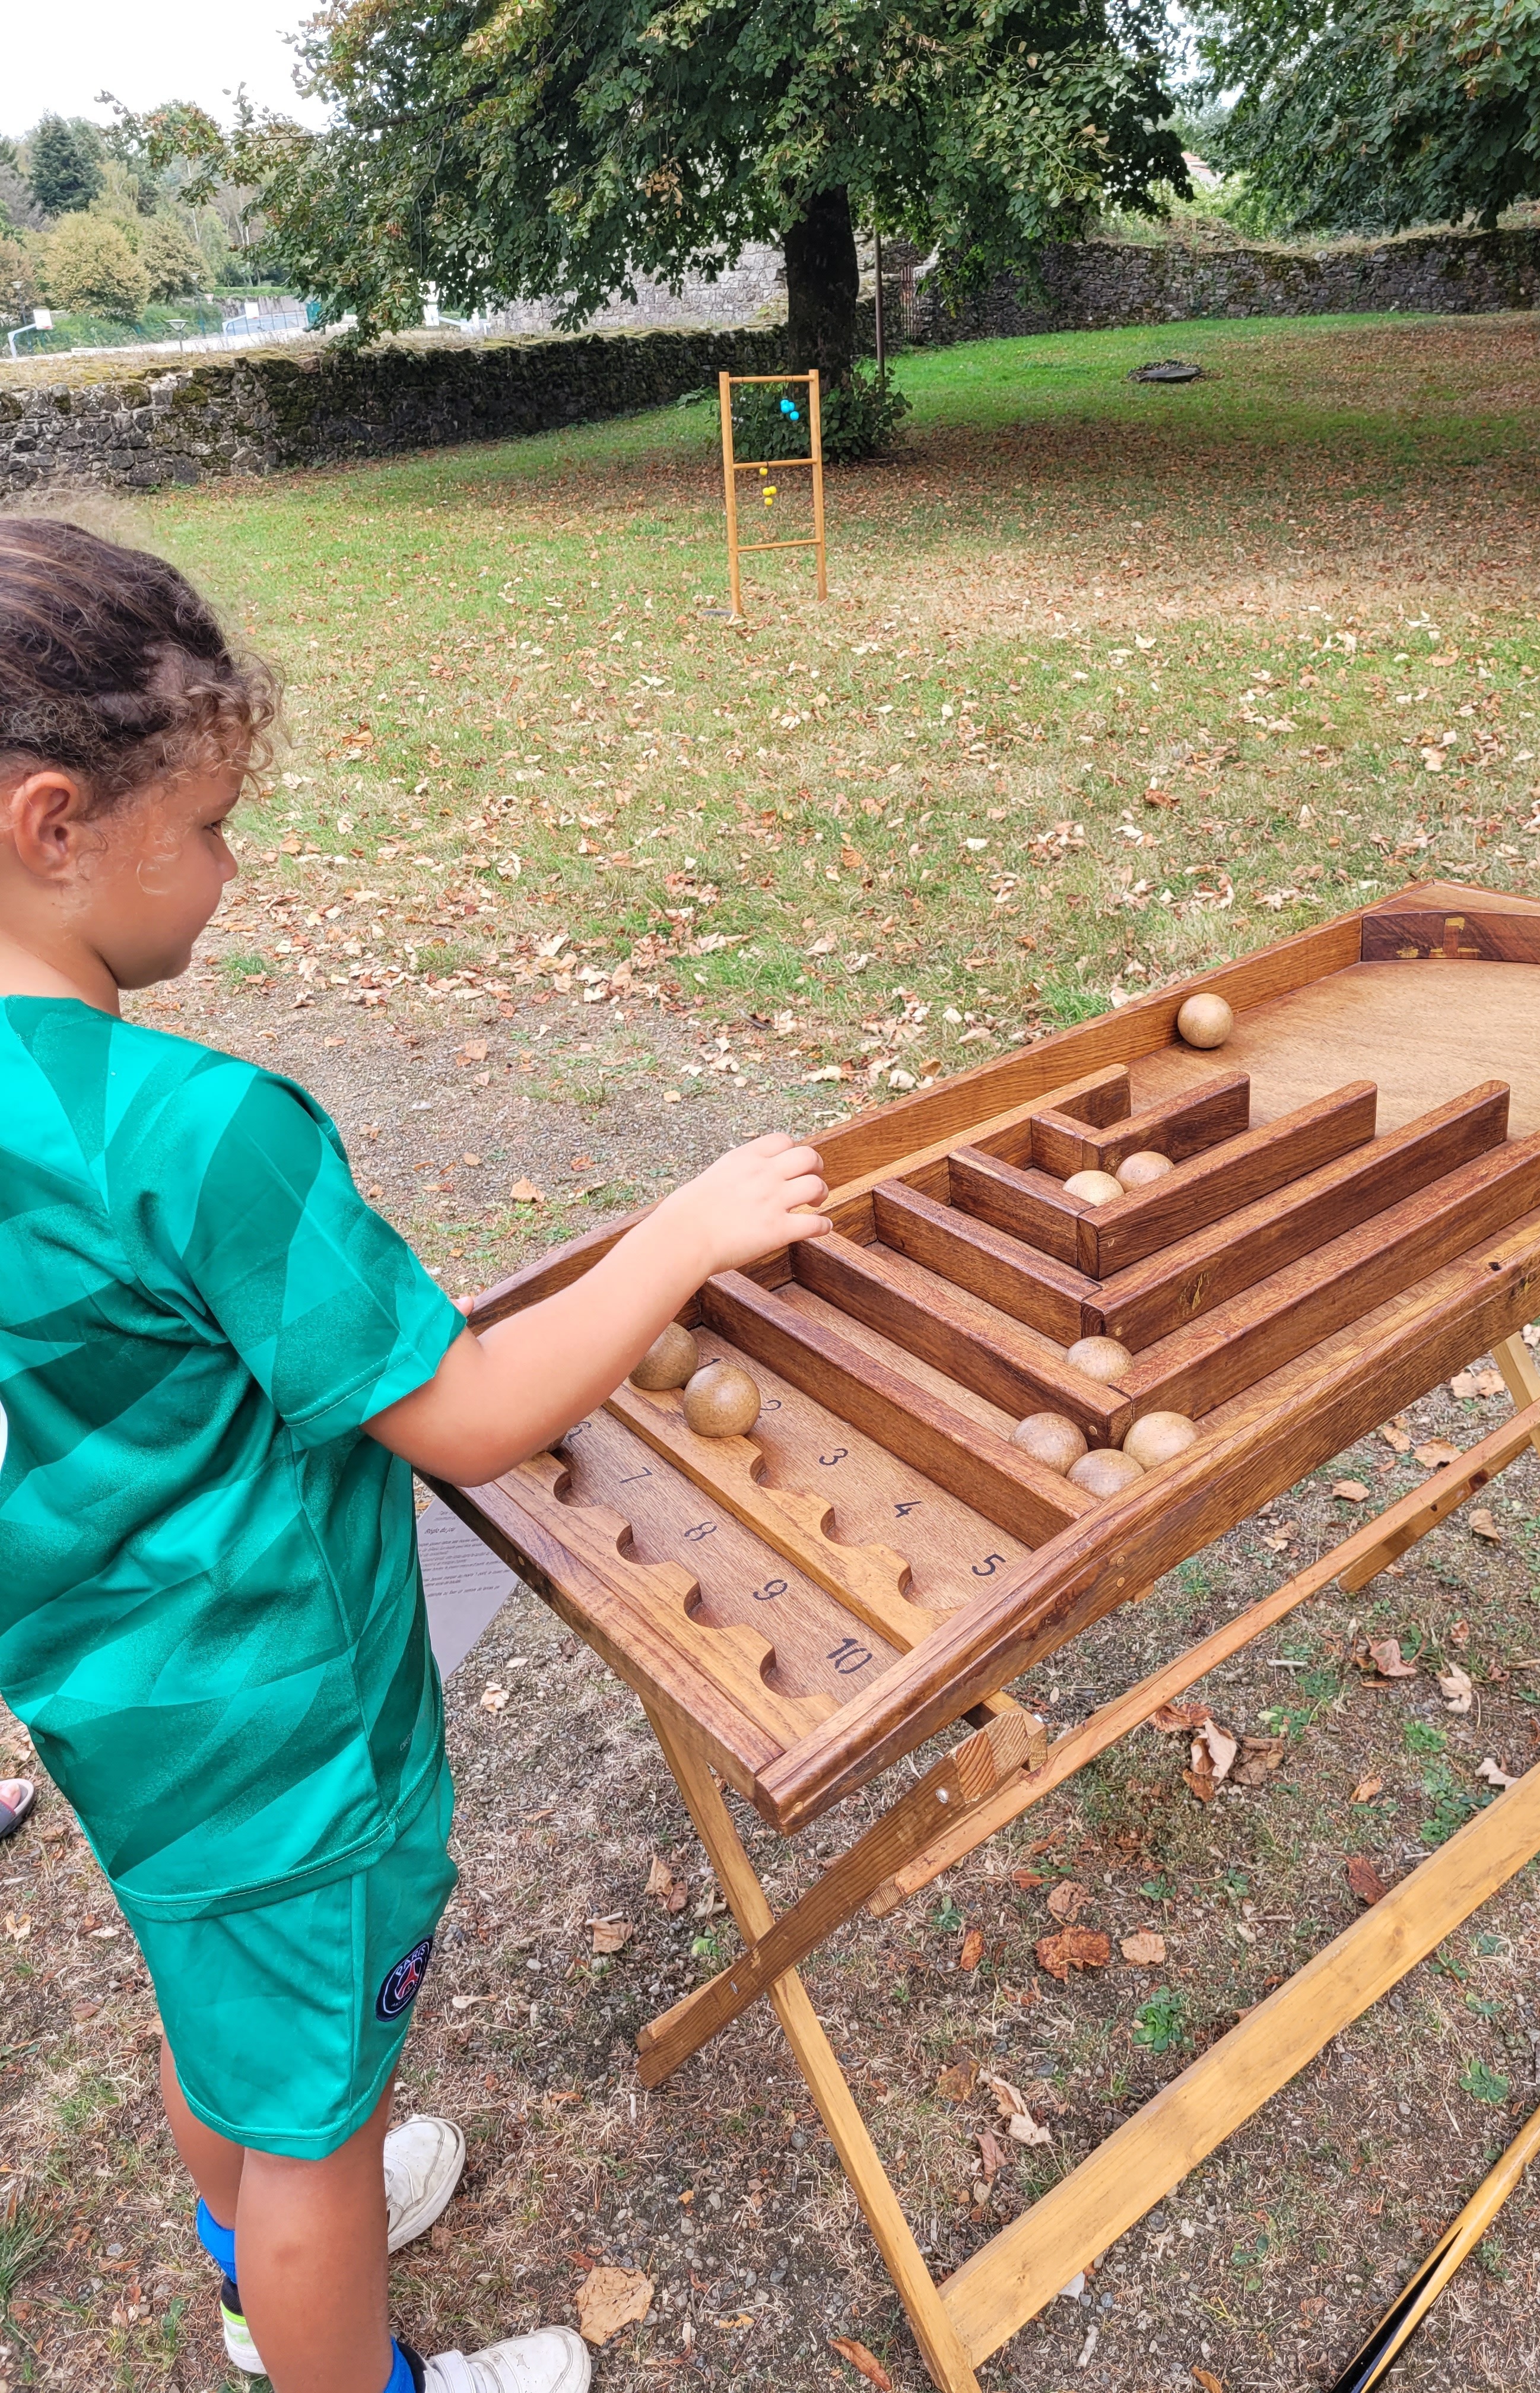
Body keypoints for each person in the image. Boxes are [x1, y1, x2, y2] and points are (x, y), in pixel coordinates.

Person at [0, 519, 833, 2393]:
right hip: (284, 1735)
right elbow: (455, 1404)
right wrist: (680, 1236)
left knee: (220, 2008)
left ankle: (258, 2255)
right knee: (315, 2139)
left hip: (117, 1712)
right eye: (207, 822)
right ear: (58, 827)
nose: (231, 861)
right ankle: (324, 2318)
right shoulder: (200, 1131)